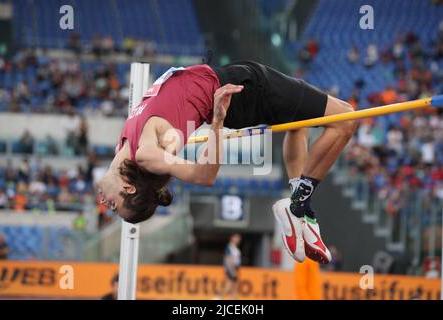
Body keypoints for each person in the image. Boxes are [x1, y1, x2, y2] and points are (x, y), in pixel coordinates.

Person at [96, 60, 357, 265]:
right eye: (115, 207)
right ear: (128, 188)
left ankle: (298, 212)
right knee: (346, 118)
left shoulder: (125, 149)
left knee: (300, 124)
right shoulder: (147, 153)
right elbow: (203, 176)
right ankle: (299, 208)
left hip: (233, 82)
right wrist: (217, 122)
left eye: (114, 209)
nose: (107, 206)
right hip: (242, 91)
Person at [220, 234, 242, 299]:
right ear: (232, 238)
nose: (238, 240)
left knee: (234, 284)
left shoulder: (235, 248)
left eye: (238, 238)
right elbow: (228, 259)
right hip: (231, 268)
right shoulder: (229, 247)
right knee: (229, 284)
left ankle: (233, 297)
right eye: (236, 238)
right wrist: (232, 270)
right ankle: (218, 297)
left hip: (235, 268)